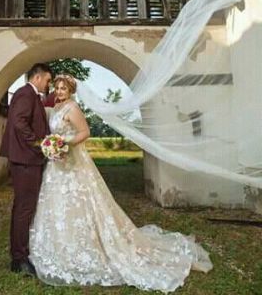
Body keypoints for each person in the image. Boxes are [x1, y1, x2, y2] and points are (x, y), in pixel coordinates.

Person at [29, 73, 213, 293]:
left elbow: (85, 132)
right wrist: (52, 145)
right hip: (57, 167)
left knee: (81, 203)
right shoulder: (56, 107)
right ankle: (59, 246)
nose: (59, 91)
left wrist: (64, 144)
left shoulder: (73, 108)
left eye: (63, 89)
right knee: (58, 204)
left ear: (70, 91)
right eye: (57, 88)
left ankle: (88, 245)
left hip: (73, 164)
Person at [0, 63, 52, 277]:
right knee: (24, 209)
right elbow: (19, 122)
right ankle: (19, 258)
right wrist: (38, 143)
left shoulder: (31, 95)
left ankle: (18, 254)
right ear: (37, 77)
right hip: (26, 159)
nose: (48, 85)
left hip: (26, 159)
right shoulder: (25, 94)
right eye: (47, 80)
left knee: (23, 207)